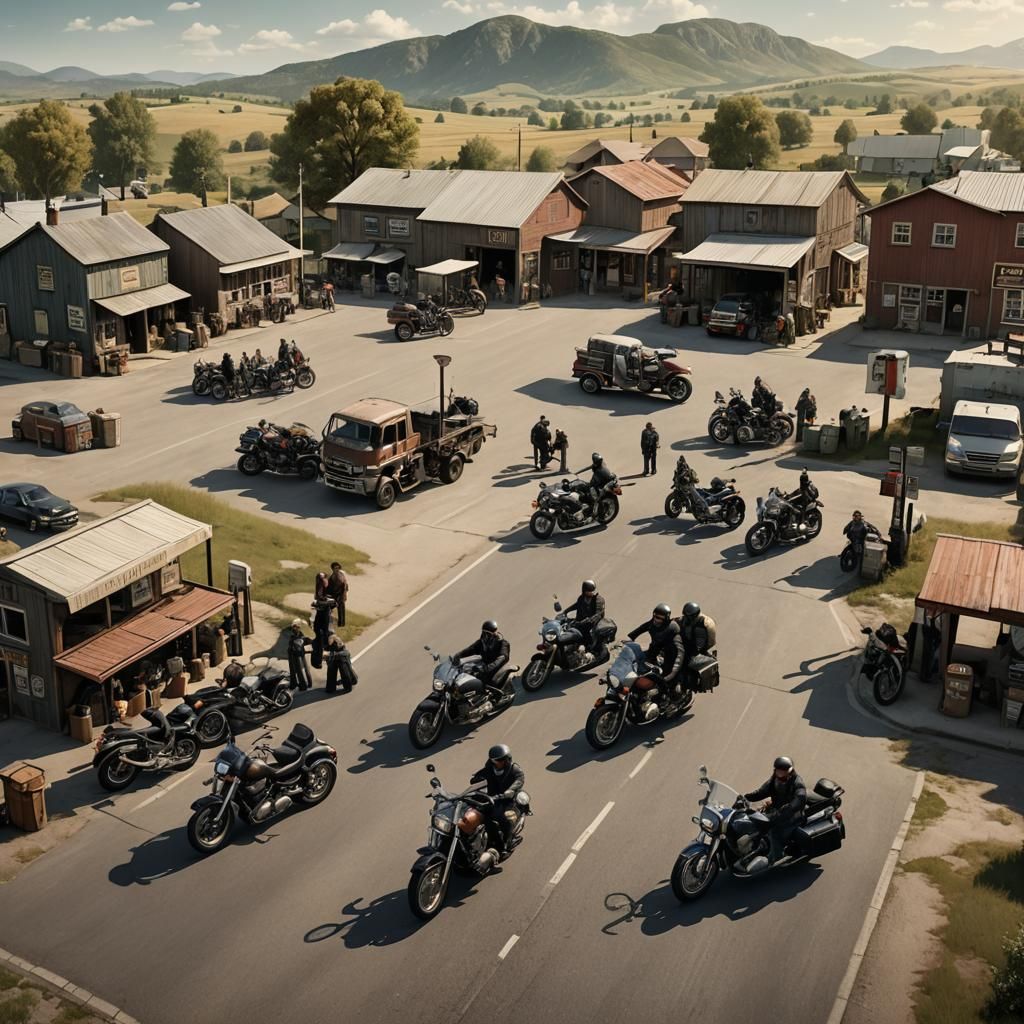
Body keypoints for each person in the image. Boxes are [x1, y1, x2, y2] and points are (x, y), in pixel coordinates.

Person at [744, 756, 807, 865]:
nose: (780, 773)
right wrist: (745, 798)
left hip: (793, 816)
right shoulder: (774, 780)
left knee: (774, 831)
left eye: (783, 771)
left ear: (790, 771)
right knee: (756, 823)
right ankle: (754, 851)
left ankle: (775, 858)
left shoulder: (797, 782)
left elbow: (800, 800)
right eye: (778, 770)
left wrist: (787, 809)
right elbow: (761, 792)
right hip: (777, 812)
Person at [470, 743, 525, 860]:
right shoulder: (490, 768)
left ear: (507, 760)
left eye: (499, 760)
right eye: (494, 761)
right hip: (491, 798)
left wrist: (510, 790)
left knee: (503, 819)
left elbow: (519, 780)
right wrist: (475, 779)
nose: (496, 763)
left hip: (507, 800)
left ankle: (506, 844)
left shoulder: (515, 770)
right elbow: (481, 774)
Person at [627, 603, 685, 698]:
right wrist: (630, 637)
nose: (657, 619)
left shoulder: (672, 628)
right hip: (655, 649)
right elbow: (642, 628)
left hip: (670, 654)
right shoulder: (653, 623)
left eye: (660, 617)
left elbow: (680, 651)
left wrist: (674, 671)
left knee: (665, 680)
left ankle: (667, 697)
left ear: (666, 618)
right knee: (637, 663)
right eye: (655, 616)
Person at [453, 620, 511, 700]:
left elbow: (501, 659)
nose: (485, 635)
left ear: (493, 633)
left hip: (496, 668)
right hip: (484, 664)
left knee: (480, 680)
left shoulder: (503, 643)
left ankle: (486, 699)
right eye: (484, 632)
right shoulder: (483, 642)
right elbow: (471, 649)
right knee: (465, 670)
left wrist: (486, 669)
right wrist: (458, 655)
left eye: (487, 633)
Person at [565, 579, 606, 651]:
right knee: (569, 628)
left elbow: (598, 614)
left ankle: (588, 649)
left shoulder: (598, 599)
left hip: (594, 623)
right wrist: (565, 611)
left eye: (592, 591)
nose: (592, 593)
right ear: (585, 591)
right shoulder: (581, 598)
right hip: (582, 621)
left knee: (585, 634)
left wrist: (587, 621)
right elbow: (577, 605)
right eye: (590, 591)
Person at [287, 619, 314, 691]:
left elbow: (293, 646)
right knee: (306, 669)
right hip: (301, 653)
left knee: (299, 671)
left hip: (296, 654)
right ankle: (309, 683)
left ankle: (303, 686)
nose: (294, 629)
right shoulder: (303, 635)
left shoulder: (294, 637)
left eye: (295, 627)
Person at [327, 561, 349, 627]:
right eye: (335, 568)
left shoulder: (341, 574)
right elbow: (330, 589)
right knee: (328, 608)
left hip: (341, 595)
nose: (337, 569)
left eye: (338, 568)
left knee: (341, 610)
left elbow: (345, 584)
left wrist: (345, 593)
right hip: (334, 596)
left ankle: (341, 624)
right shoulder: (332, 578)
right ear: (332, 569)